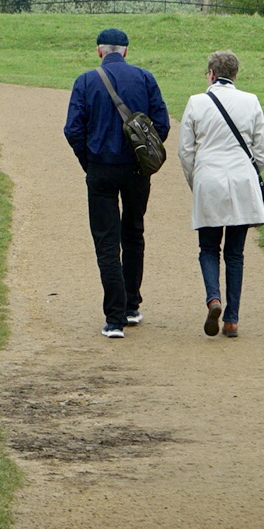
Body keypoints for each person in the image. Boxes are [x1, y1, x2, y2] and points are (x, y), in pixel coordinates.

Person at [64, 28, 171, 339]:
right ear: (125, 51)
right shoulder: (145, 78)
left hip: (100, 169)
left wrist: (89, 161)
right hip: (137, 170)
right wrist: (142, 156)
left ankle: (114, 318)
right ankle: (131, 305)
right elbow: (161, 124)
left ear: (100, 51)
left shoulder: (85, 81)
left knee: (106, 241)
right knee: (134, 233)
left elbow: (73, 129)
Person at [177, 49, 264, 338]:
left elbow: (185, 151)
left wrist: (196, 181)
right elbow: (262, 149)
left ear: (211, 74)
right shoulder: (251, 101)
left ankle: (213, 298)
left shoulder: (196, 102)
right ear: (235, 74)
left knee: (208, 248)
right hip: (242, 181)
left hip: (209, 178)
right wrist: (251, 172)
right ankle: (232, 319)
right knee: (235, 254)